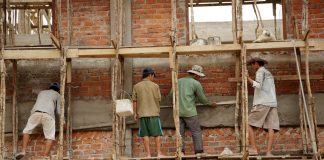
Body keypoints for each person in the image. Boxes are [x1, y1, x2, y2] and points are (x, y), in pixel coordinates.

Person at [16, 82, 62, 159]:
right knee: (50, 136)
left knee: (26, 131)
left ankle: (23, 151)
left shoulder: (41, 92)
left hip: (35, 113)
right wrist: (63, 121)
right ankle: (45, 156)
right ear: (58, 90)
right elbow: (59, 110)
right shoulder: (58, 95)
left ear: (49, 88)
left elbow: (37, 103)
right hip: (48, 115)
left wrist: (32, 116)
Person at [178, 65, 217, 156]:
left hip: (178, 112)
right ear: (196, 75)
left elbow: (171, 96)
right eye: (199, 76)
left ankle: (181, 152)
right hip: (190, 112)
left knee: (180, 133)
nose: (199, 78)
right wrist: (211, 104)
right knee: (196, 132)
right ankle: (199, 152)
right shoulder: (196, 83)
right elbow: (202, 99)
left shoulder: (178, 81)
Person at [246, 57, 279, 156]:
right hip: (272, 103)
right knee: (271, 127)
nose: (252, 66)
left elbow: (258, 85)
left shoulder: (260, 71)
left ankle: (254, 148)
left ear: (256, 63)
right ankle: (268, 152)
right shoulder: (269, 73)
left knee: (248, 123)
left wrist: (247, 78)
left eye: (252, 64)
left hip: (262, 102)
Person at [132, 67, 165, 157]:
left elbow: (134, 101)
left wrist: (135, 113)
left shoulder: (136, 86)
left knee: (144, 134)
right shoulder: (155, 86)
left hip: (142, 114)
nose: (153, 78)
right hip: (154, 113)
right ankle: (159, 153)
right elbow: (159, 99)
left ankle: (148, 154)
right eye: (153, 76)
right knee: (157, 134)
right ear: (150, 75)